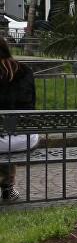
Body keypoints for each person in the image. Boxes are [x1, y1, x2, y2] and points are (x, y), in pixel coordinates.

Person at [0, 33, 38, 202]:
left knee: (4, 137)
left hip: (4, 138)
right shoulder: (25, 70)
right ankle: (8, 187)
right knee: (8, 132)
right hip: (26, 138)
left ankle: (6, 185)